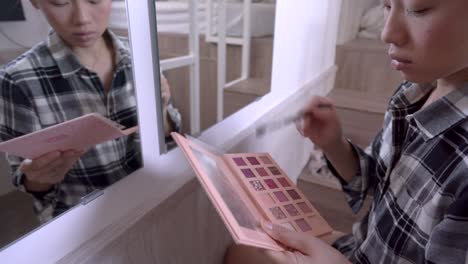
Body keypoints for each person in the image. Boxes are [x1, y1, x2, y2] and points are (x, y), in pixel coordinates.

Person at [224, 0, 468, 263]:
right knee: (249, 244)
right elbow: (377, 182)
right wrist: (334, 144)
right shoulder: (411, 95)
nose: (387, 33)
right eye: (387, 6)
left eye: (419, 9)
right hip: (362, 249)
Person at [0, 0, 180, 223]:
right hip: (79, 221)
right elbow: (28, 181)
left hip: (147, 202)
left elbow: (170, 140)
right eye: (60, 2)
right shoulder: (18, 80)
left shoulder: (141, 54)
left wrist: (160, 112)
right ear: (36, 2)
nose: (82, 19)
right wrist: (39, 177)